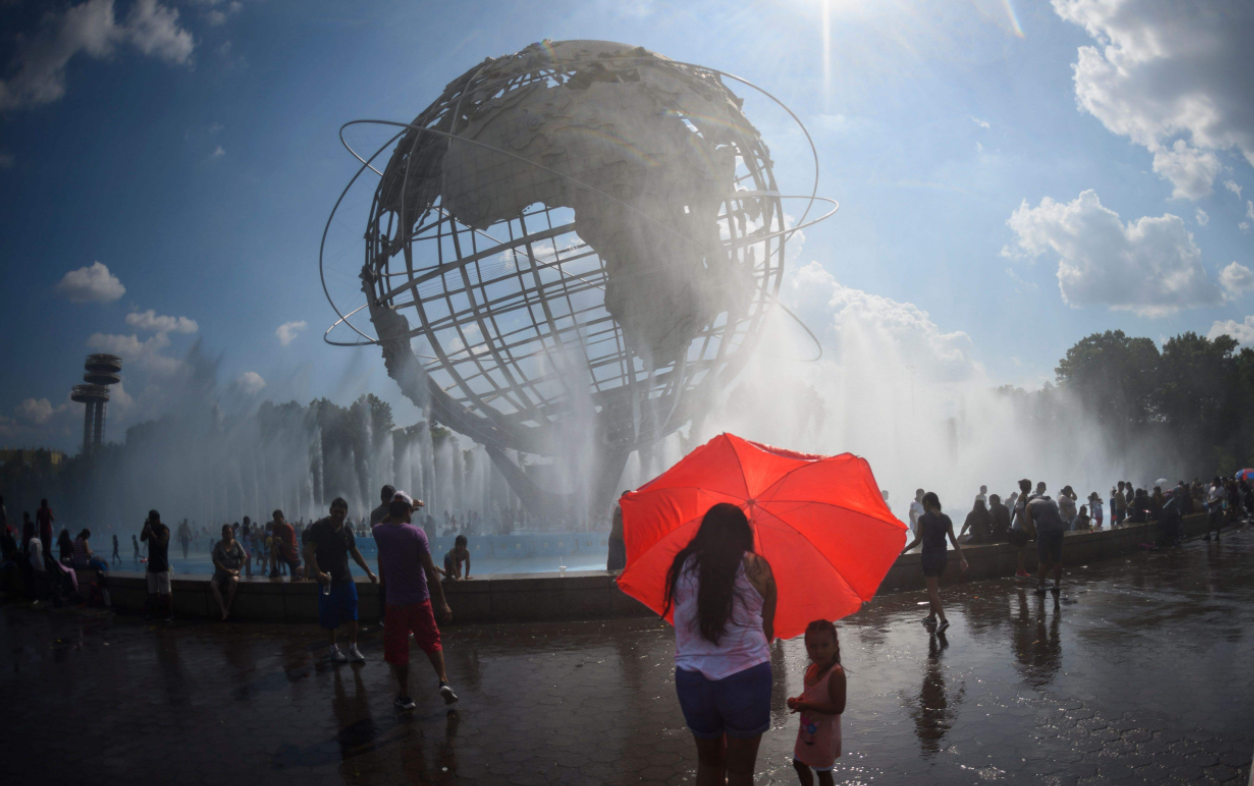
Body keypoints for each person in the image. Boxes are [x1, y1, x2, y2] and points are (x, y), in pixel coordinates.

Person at [663, 503, 777, 786]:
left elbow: (684, 617)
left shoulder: (682, 564)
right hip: (746, 674)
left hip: (692, 678)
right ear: (742, 532)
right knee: (740, 772)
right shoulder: (756, 565)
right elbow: (768, 629)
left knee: (708, 763)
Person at [373, 490, 458, 710]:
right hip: (420, 600)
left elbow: (384, 521)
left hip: (395, 604)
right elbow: (430, 571)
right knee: (432, 640)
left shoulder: (380, 533)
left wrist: (398, 507)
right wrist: (443, 603)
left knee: (399, 648)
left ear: (391, 511)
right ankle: (443, 681)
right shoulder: (417, 534)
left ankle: (405, 696)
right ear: (410, 512)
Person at [303, 498, 377, 664]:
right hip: (327, 581)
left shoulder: (347, 530)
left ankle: (353, 647)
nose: (338, 515)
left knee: (353, 613)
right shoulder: (319, 527)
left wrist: (369, 572)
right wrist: (318, 572)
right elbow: (308, 552)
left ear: (345, 514)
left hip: (345, 578)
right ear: (330, 510)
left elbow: (355, 552)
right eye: (335, 511)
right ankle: (333, 648)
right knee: (330, 615)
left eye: (341, 513)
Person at [788, 620, 846, 786]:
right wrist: (797, 700)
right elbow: (811, 695)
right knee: (799, 764)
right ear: (806, 647)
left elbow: (838, 707)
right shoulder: (812, 669)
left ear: (835, 645)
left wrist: (807, 705)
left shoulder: (836, 674)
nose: (819, 651)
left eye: (825, 645)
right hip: (807, 731)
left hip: (824, 736)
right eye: (813, 646)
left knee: (823, 774)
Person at [900, 492, 968, 632]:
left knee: (932, 591)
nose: (923, 507)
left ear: (928, 503)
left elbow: (918, 540)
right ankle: (931, 617)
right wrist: (962, 558)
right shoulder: (945, 519)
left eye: (924, 504)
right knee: (934, 589)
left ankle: (943, 620)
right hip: (942, 557)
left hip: (929, 557)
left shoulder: (924, 519)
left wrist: (904, 550)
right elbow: (954, 540)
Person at [1025, 492, 1066, 596]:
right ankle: (1056, 586)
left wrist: (1035, 539)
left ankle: (1041, 587)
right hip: (1059, 531)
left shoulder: (1029, 505)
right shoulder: (1051, 501)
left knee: (1042, 561)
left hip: (1044, 532)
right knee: (1057, 559)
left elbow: (1030, 527)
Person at [141, 510, 173, 621]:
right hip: (152, 566)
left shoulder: (164, 529)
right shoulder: (151, 529)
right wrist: (145, 528)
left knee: (165, 592)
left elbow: (162, 544)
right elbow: (142, 538)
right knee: (153, 592)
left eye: (152, 520)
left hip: (162, 565)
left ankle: (169, 613)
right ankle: (156, 612)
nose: (151, 523)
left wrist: (152, 534)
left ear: (157, 519)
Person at [211, 523, 245, 621]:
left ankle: (228, 606)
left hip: (233, 572)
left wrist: (238, 570)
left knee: (234, 581)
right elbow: (215, 560)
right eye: (226, 533)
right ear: (222, 534)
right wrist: (225, 570)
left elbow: (244, 556)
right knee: (213, 585)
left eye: (230, 533)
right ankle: (223, 610)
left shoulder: (236, 543)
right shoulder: (218, 545)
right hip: (221, 572)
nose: (228, 535)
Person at [1009, 479, 1033, 580]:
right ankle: (1019, 571)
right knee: (1022, 549)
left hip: (1023, 524)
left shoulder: (1025, 496)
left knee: (1024, 549)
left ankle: (1022, 570)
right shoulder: (1021, 497)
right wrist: (1023, 525)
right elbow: (1018, 512)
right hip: (1020, 526)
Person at [269, 510, 303, 580]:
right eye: (275, 519)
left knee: (295, 578)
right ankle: (274, 569)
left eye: (278, 518)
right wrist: (273, 541)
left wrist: (281, 542)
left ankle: (308, 571)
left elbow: (291, 546)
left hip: (293, 556)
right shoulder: (275, 527)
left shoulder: (289, 528)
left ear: (283, 518)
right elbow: (273, 541)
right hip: (283, 552)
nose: (276, 521)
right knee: (273, 547)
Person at [607, 492, 628, 572]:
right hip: (616, 540)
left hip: (624, 541)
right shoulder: (619, 508)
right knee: (616, 566)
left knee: (624, 565)